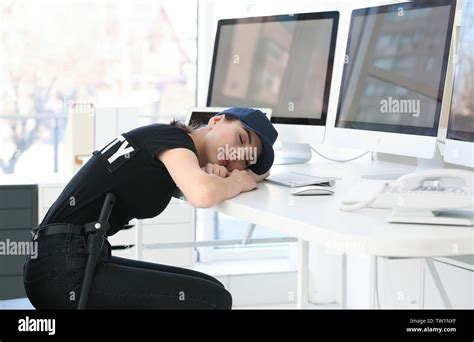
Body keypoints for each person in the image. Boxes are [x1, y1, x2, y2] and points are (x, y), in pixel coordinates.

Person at [23, 107, 278, 309]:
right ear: (216, 120)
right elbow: (202, 194)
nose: (236, 155)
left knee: (212, 288)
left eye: (245, 160)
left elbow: (211, 182)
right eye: (241, 139)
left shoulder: (171, 143)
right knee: (211, 300)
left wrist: (216, 174)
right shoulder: (174, 141)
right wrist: (236, 180)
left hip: (66, 259)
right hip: (61, 271)